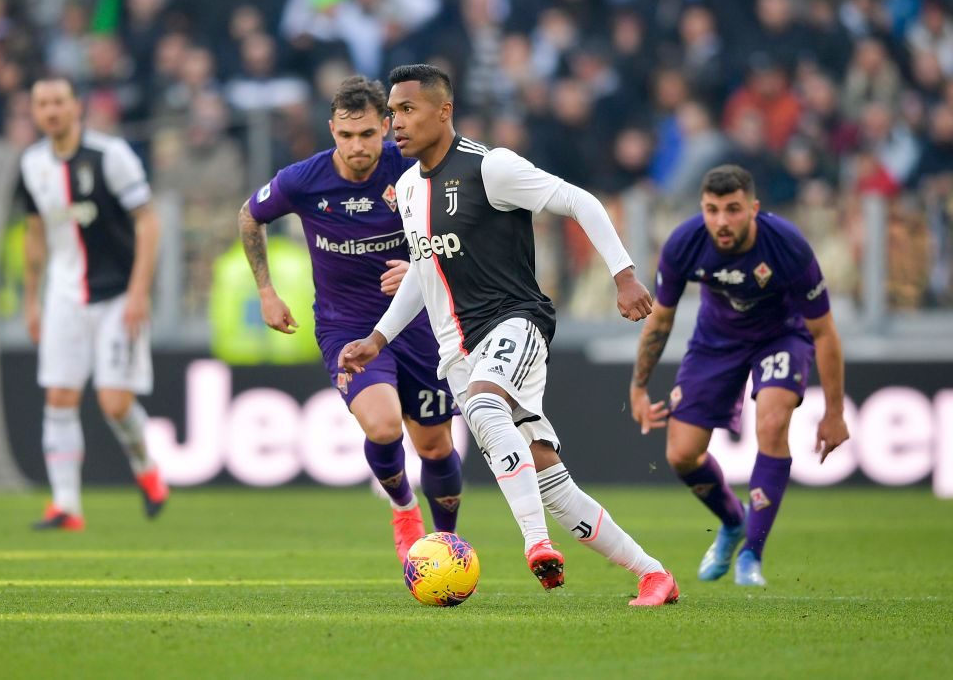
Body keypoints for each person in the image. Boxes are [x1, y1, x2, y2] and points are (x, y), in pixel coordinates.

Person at [339, 64, 679, 606]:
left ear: (443, 111)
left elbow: (581, 201)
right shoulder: (406, 187)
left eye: (406, 110)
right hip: (458, 351)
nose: (394, 123)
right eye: (391, 113)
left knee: (483, 404)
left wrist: (624, 274)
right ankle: (653, 574)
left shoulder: (490, 167)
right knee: (551, 481)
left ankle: (536, 543)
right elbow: (424, 271)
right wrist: (378, 339)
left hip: (514, 320)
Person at [238, 76, 463, 564]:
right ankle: (403, 509)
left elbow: (461, 224)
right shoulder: (304, 180)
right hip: (346, 326)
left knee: (434, 445)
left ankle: (447, 545)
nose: (356, 146)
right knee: (382, 426)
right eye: (345, 135)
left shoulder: (415, 166)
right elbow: (250, 216)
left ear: (385, 127)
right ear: (331, 131)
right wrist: (266, 291)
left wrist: (422, 266)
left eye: (366, 134)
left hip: (419, 323)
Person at [629, 165, 850, 586]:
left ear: (753, 208)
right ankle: (733, 522)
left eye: (732, 209)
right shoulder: (684, 244)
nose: (721, 221)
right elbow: (660, 320)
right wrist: (639, 387)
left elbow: (824, 332)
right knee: (681, 454)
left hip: (781, 337)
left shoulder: (787, 246)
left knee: (772, 423)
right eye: (712, 210)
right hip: (716, 341)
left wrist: (835, 413)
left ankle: (752, 554)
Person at [16, 77, 169, 531]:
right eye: (42, 103)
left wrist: (139, 291)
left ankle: (146, 467)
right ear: (34, 112)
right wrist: (31, 300)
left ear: (75, 107)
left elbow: (148, 221)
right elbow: (35, 233)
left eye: (58, 102)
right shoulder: (32, 163)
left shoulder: (111, 155)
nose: (51, 111)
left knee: (114, 403)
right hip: (64, 294)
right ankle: (66, 506)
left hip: (117, 294)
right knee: (59, 396)